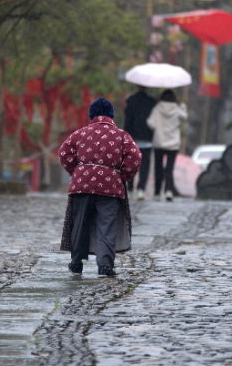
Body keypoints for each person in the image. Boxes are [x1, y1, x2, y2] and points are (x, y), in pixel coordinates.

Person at [58, 98, 141, 277]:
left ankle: (76, 262)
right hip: (110, 188)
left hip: (82, 186)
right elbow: (135, 157)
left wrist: (78, 171)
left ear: (91, 115)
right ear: (112, 115)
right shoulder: (122, 135)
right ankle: (105, 266)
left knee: (79, 224)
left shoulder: (79, 134)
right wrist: (123, 175)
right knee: (107, 226)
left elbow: (64, 152)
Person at [146, 89, 188, 202]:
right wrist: (181, 105)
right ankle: (169, 191)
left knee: (158, 168)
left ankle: (156, 193)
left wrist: (159, 128)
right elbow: (184, 117)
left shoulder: (157, 108)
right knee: (170, 168)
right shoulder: (176, 109)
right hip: (173, 144)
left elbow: (150, 123)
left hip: (159, 142)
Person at [123, 85, 157, 200]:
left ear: (137, 86)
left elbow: (127, 120)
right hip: (147, 138)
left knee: (131, 164)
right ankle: (141, 189)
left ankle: (131, 189)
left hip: (133, 138)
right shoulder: (152, 102)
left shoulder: (130, 100)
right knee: (145, 165)